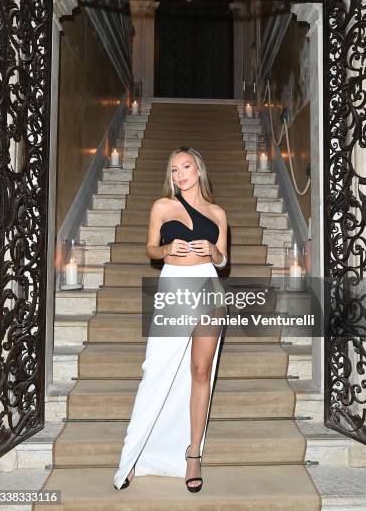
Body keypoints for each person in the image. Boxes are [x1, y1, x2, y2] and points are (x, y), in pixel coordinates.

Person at [113, 145, 228, 493]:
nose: (180, 174)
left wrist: (214, 251)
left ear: (199, 169)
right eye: (174, 169)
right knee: (156, 371)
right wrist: (165, 250)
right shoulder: (162, 206)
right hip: (173, 286)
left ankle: (192, 455)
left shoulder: (217, 213)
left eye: (186, 166)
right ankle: (133, 455)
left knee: (200, 372)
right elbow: (150, 248)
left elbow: (224, 261)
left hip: (209, 286)